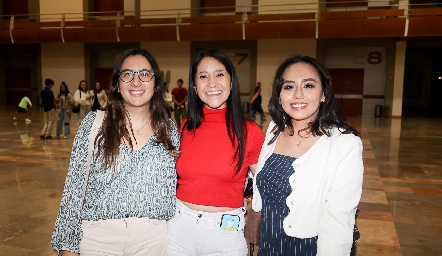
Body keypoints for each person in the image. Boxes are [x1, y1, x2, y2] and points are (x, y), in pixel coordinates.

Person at [51, 47, 180, 256]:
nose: (136, 82)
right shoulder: (94, 125)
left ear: (156, 83)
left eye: (145, 74)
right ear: (117, 83)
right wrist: (68, 247)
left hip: (153, 241)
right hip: (98, 240)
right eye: (127, 74)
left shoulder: (169, 130)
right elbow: (73, 190)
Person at [251, 55, 364, 255]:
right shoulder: (274, 129)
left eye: (309, 86)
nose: (298, 95)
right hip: (268, 244)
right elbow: (261, 181)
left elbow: (339, 220)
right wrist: (254, 215)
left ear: (324, 94)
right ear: (279, 95)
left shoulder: (344, 144)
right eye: (288, 87)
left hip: (307, 248)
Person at [167, 48, 265, 256]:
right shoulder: (185, 127)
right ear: (194, 86)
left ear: (231, 82)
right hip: (179, 226)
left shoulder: (250, 131)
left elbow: (266, 186)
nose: (211, 83)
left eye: (219, 74)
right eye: (203, 76)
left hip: (226, 231)